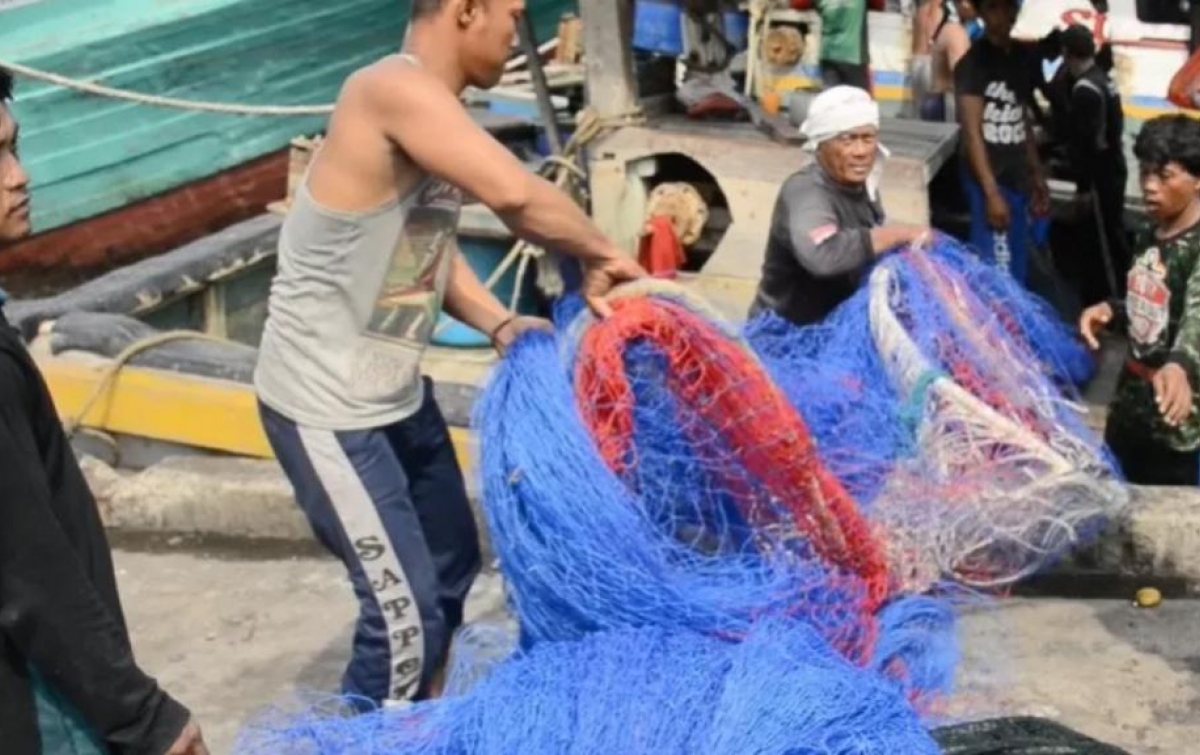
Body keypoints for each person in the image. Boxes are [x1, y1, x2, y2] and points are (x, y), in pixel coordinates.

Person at [253, 0, 644, 709]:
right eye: (511, 15)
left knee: (452, 563)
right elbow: (516, 196)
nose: (516, 31)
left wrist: (497, 322)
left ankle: (424, 714)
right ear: (466, 10)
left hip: (393, 391)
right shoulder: (388, 89)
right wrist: (605, 253)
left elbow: (420, 247)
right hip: (326, 408)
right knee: (403, 619)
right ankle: (372, 731)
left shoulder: (432, 110)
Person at [0, 68, 208, 755]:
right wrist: (145, 717)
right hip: (43, 704)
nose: (19, 176)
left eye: (14, 148)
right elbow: (29, 571)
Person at [1080, 116, 1200, 486]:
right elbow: (1150, 299)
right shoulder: (1150, 232)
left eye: (1165, 177)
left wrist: (1179, 364)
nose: (1149, 187)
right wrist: (1112, 311)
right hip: (1130, 409)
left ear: (1197, 181)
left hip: (1179, 423)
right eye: (1145, 173)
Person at [751, 86, 929, 326]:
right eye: (848, 140)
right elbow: (823, 256)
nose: (861, 152)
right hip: (785, 337)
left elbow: (869, 233)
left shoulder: (863, 185)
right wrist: (897, 234)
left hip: (835, 328)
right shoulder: (807, 192)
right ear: (821, 145)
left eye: (868, 138)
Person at [954, 0, 1049, 284]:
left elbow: (1022, 118)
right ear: (981, 13)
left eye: (1007, 8)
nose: (1001, 16)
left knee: (1017, 261)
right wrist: (991, 194)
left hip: (1016, 174)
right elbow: (972, 133)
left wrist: (1036, 174)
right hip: (988, 177)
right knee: (996, 267)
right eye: (993, 8)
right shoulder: (973, 63)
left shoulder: (1020, 57)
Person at [1062, 23, 1128, 302]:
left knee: (1101, 241)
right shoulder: (1104, 79)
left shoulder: (1085, 90)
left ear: (1066, 54)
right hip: (1114, 168)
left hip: (1100, 177)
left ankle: (1108, 297)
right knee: (1113, 234)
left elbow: (1087, 144)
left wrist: (1084, 187)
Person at [790, 0, 886, 93]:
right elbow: (880, 5)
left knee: (832, 102)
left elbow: (797, 3)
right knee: (858, 102)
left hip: (828, 55)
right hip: (853, 56)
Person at [923, 0, 974, 122]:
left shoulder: (947, 28)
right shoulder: (956, 32)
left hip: (938, 102)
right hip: (947, 105)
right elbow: (962, 76)